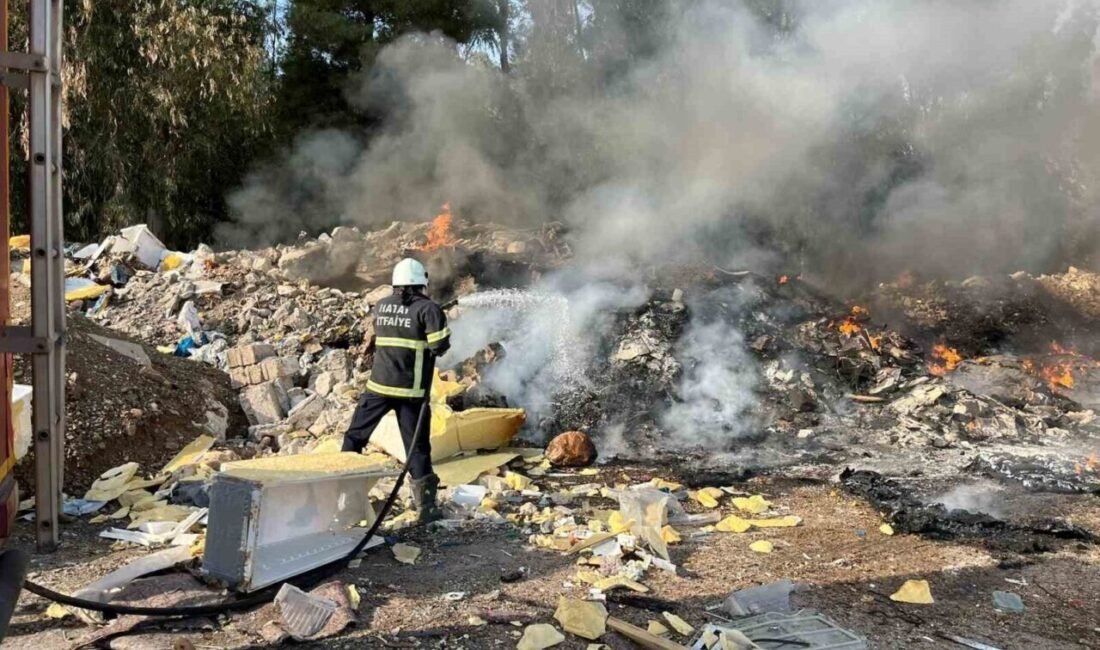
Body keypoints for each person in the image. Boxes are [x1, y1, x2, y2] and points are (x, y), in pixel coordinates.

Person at [342, 258, 450, 524]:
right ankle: (426, 508)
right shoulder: (429, 309)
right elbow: (439, 347)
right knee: (417, 448)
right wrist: (437, 322)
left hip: (377, 388)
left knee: (355, 436)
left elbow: (400, 327)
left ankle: (343, 496)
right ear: (420, 282)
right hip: (410, 393)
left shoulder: (382, 305)